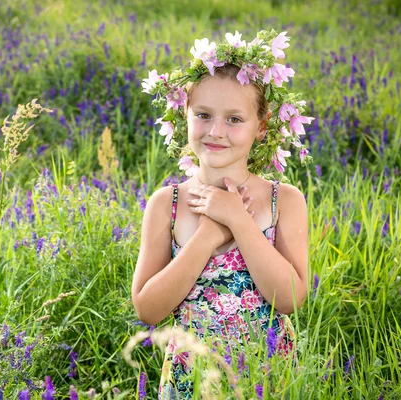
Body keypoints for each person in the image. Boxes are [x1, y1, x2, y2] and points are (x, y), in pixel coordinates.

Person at [131, 30, 312, 398]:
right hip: (192, 379)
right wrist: (209, 236)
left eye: (234, 119)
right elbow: (148, 309)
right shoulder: (167, 204)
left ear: (261, 127)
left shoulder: (285, 201)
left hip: (267, 374)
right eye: (203, 115)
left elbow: (290, 298)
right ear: (184, 115)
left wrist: (239, 221)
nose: (215, 131)